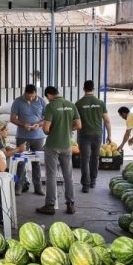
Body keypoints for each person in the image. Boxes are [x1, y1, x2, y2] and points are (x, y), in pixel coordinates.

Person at [36, 86, 81, 215]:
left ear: (49, 95)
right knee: (68, 176)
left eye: (47, 97)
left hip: (53, 146)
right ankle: (70, 204)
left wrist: (54, 129)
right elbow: (79, 125)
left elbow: (45, 129)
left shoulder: (51, 106)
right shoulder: (71, 105)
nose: (48, 100)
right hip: (67, 145)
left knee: (51, 175)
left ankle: (50, 205)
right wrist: (67, 128)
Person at [75, 80, 112, 193]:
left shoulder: (79, 103)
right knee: (95, 158)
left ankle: (85, 185)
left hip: (84, 135)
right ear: (93, 89)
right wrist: (109, 135)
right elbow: (107, 120)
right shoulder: (100, 103)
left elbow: (75, 122)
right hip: (97, 135)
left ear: (84, 89)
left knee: (85, 159)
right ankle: (93, 181)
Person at [10, 84, 47, 195]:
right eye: (28, 96)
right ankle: (18, 186)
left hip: (38, 137)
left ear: (36, 93)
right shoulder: (18, 101)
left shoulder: (41, 101)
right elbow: (12, 118)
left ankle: (38, 187)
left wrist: (39, 124)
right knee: (20, 162)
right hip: (22, 136)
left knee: (37, 162)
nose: (31, 98)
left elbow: (46, 118)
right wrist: (23, 124)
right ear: (25, 93)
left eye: (33, 96)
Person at [0, 120, 26, 195]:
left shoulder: (2, 138)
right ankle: (16, 187)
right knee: (20, 164)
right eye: (6, 130)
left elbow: (6, 148)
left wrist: (17, 149)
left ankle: (18, 185)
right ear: (0, 131)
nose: (8, 131)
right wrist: (18, 149)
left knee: (21, 163)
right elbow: (5, 154)